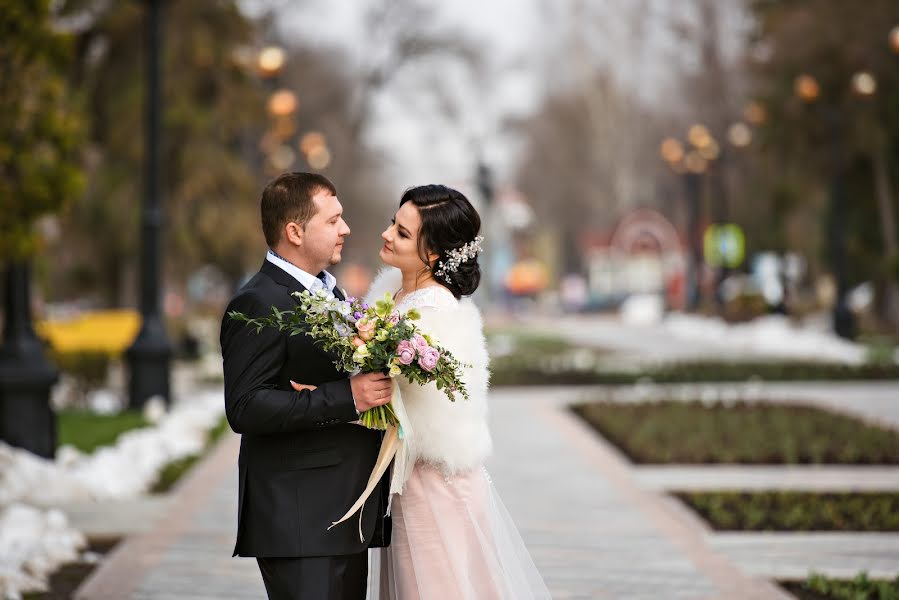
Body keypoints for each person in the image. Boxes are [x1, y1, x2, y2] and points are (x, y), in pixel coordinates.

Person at [294, 184, 551, 599]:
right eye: (393, 223)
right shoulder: (392, 294)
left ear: (431, 254)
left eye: (401, 233)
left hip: (434, 486)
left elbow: (394, 405)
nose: (386, 234)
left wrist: (326, 395)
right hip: (406, 483)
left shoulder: (435, 315)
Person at [220, 172, 393, 600]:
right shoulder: (259, 301)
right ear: (295, 232)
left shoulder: (330, 295)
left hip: (340, 514)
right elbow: (245, 406)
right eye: (333, 220)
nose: (346, 229)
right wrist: (347, 397)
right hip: (300, 518)